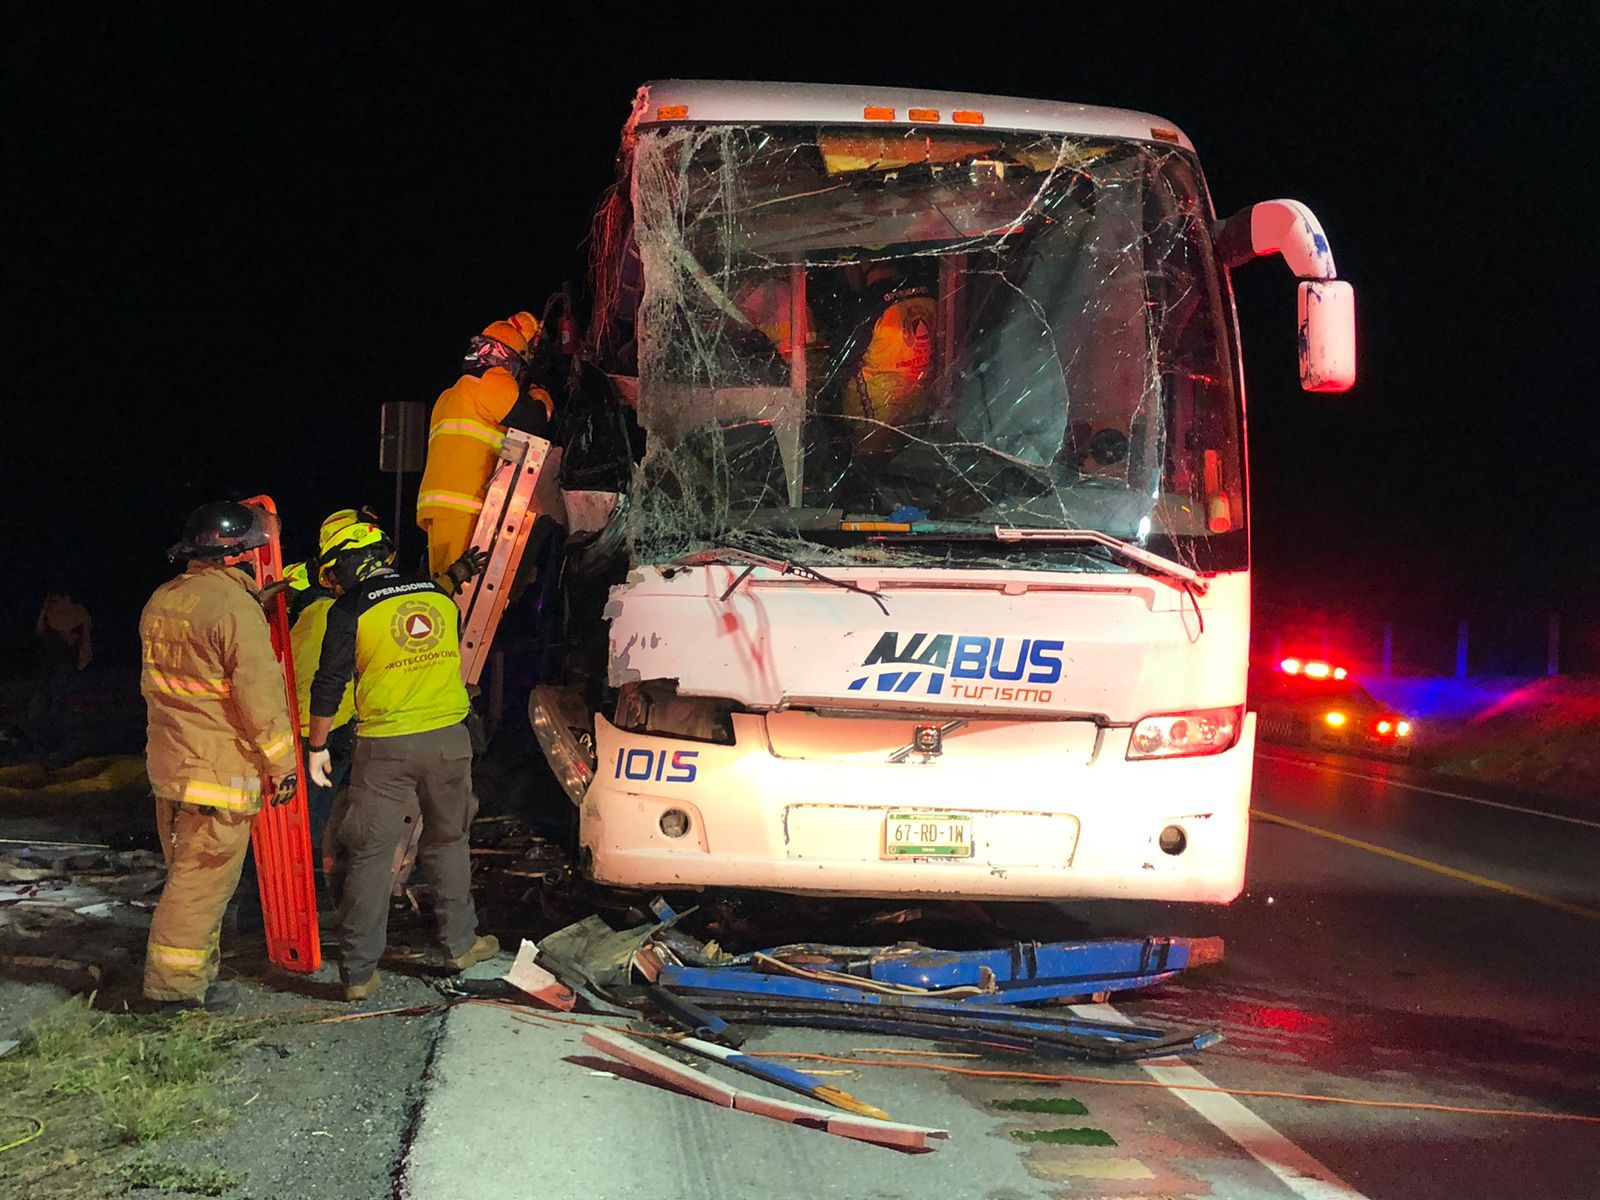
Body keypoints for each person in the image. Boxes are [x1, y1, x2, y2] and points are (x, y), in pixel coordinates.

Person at [307, 520, 496, 1001]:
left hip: (386, 747)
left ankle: (358, 974)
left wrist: (317, 747)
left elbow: (329, 684)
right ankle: (460, 944)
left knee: (370, 855)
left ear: (346, 564)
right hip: (450, 740)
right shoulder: (439, 600)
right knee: (449, 841)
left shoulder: (350, 609)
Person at [139, 501, 298, 1013]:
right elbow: (260, 699)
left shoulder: (164, 598)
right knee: (199, 887)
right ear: (234, 558)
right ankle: (174, 994)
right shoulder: (233, 611)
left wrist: (253, 602)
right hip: (218, 773)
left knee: (189, 877)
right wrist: (283, 765)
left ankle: (196, 978)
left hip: (171, 767)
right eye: (252, 555)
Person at [416, 313, 555, 580]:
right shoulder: (492, 381)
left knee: (443, 586)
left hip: (439, 507)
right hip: (466, 506)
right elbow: (533, 419)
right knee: (462, 591)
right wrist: (540, 391)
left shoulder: (451, 394)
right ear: (509, 358)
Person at [30, 589, 92, 759]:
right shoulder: (50, 615)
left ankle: (58, 745)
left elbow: (85, 641)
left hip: (66, 666)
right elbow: (40, 631)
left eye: (57, 599)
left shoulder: (78, 614)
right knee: (41, 704)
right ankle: (43, 743)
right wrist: (44, 610)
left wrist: (83, 660)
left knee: (60, 704)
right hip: (48, 667)